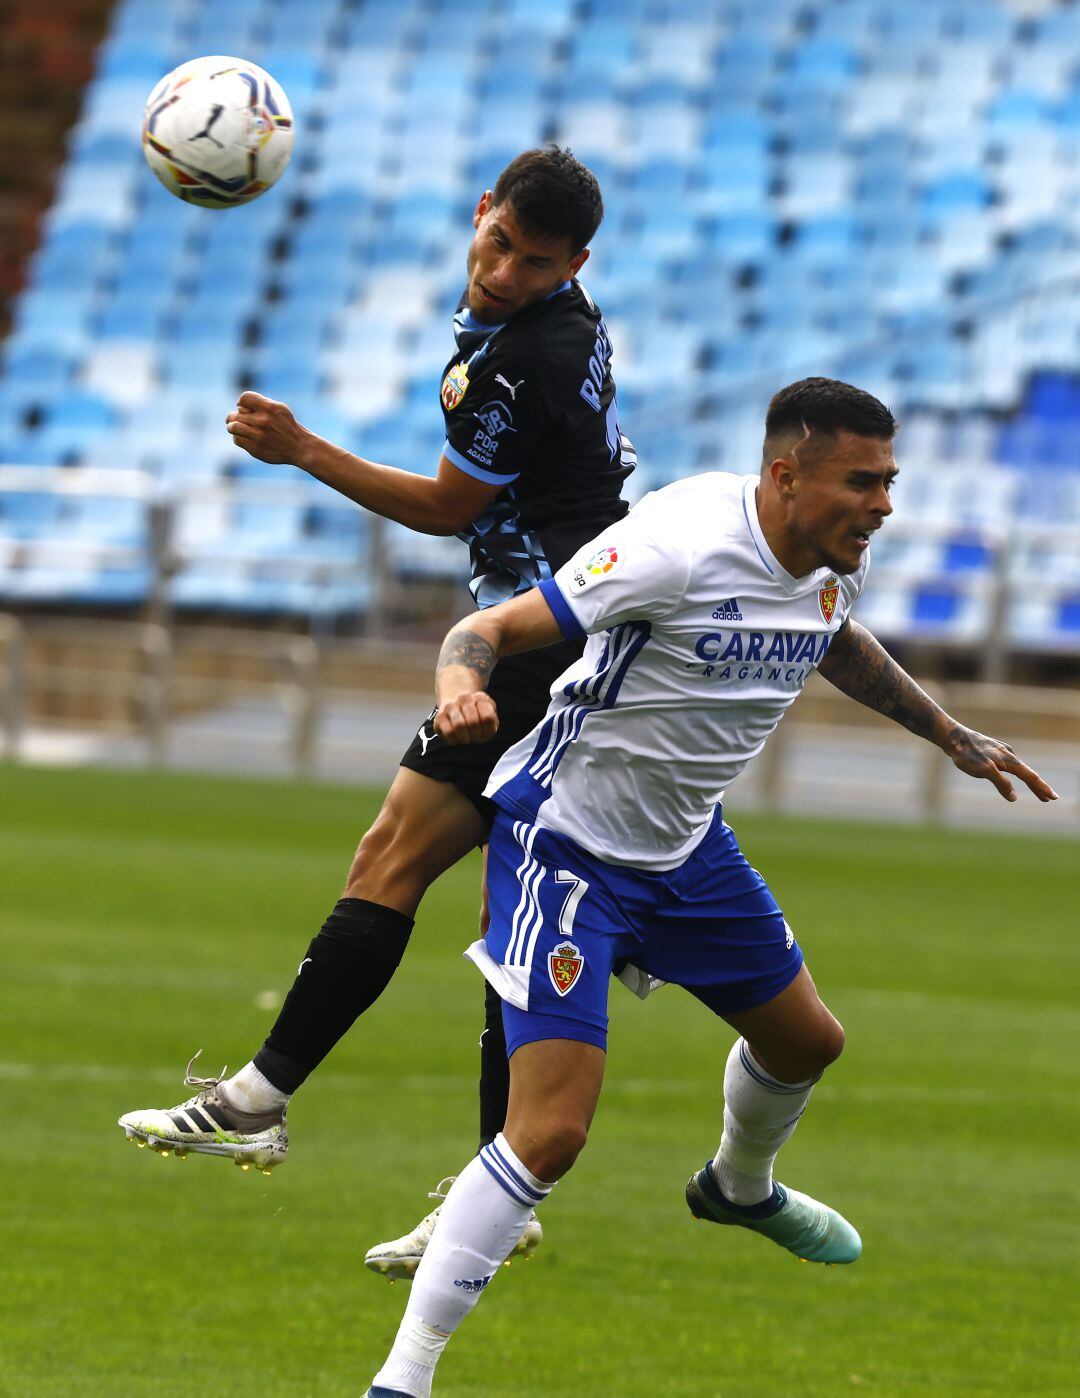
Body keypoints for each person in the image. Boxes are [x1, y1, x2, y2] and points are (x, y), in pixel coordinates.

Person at [362, 377, 1057, 1398]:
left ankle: (737, 1188)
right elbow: (489, 632)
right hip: (568, 846)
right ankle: (403, 1379)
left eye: (891, 481)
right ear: (786, 474)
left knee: (809, 1043)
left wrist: (948, 733)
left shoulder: (830, 558)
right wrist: (460, 687)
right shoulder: (674, 542)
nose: (884, 504)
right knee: (551, 1130)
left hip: (687, 851)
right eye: (863, 481)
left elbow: (832, 635)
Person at [117, 148, 636, 1273]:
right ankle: (476, 1179)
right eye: (498, 243)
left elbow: (452, 506)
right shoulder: (553, 318)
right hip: (567, 622)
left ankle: (289, 1108)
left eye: (534, 263)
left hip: (544, 641)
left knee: (412, 866)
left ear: (575, 264)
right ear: (482, 209)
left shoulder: (523, 362)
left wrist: (304, 451)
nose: (503, 272)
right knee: (463, 888)